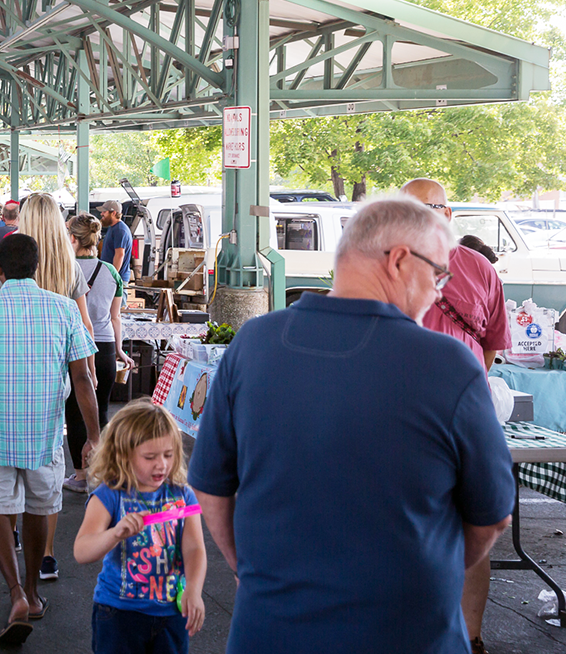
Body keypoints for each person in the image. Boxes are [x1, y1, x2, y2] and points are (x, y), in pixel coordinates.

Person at [188, 197, 514, 654]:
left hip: (270, 630)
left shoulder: (254, 343)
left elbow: (210, 486)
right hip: (408, 634)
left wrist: (253, 572)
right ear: (400, 260)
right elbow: (493, 514)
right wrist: (429, 577)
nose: (439, 291)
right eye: (439, 275)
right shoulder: (448, 364)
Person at [0, 233, 100, 646]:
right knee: (39, 509)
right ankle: (33, 593)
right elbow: (83, 377)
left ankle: (14, 592)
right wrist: (93, 436)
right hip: (44, 435)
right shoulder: (64, 309)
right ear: (36, 268)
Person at [400, 177, 512, 653]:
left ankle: (470, 636)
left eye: (426, 208)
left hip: (448, 416)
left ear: (448, 214)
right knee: (409, 523)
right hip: (406, 414)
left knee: (471, 522)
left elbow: (491, 347)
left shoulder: (481, 270)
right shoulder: (386, 263)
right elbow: (486, 351)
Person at [74, 399, 207, 653]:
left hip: (171, 614)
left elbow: (195, 549)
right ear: (123, 455)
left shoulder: (183, 496)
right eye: (150, 457)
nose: (162, 464)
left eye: (168, 455)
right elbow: (81, 551)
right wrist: (115, 533)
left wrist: (194, 589)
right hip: (119, 614)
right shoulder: (110, 495)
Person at [64, 213, 131, 498]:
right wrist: (118, 350)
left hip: (73, 347)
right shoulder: (112, 272)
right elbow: (115, 318)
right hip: (104, 347)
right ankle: (103, 474)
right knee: (101, 410)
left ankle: (81, 475)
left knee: (75, 414)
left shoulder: (64, 270)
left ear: (74, 239)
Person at [98, 201, 132, 285]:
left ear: (113, 213)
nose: (101, 214)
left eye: (104, 212)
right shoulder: (113, 228)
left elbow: (119, 254)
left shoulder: (120, 230)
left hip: (117, 279)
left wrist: (113, 276)